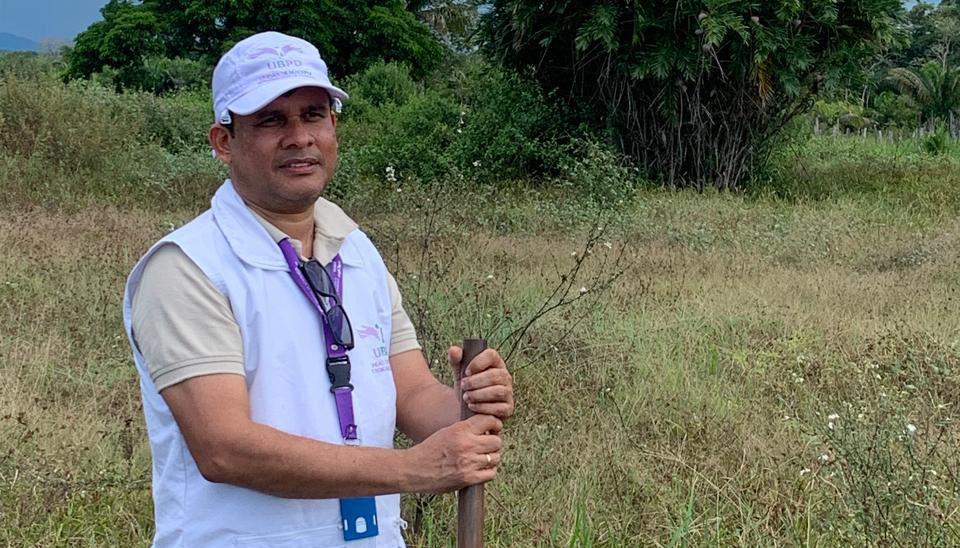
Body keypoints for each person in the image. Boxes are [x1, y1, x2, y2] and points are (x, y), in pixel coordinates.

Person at [122, 31, 514, 547]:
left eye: (313, 114)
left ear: (334, 128)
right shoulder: (188, 267)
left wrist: (468, 400)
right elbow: (224, 448)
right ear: (223, 141)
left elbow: (414, 396)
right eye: (270, 120)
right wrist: (413, 469)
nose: (299, 137)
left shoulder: (356, 252)